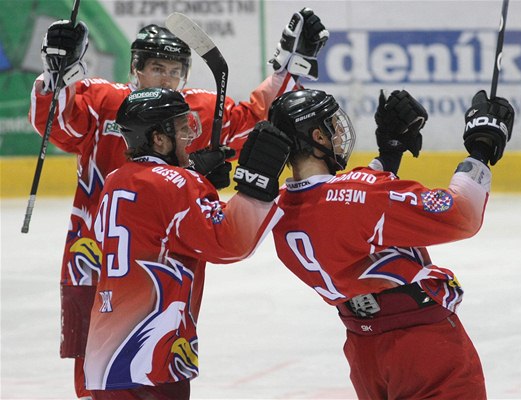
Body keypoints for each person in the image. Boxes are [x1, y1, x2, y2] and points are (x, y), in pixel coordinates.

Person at [28, 8, 327, 398]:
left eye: (174, 70)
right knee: (100, 377)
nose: (166, 78)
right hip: (96, 264)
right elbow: (60, 119)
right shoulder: (105, 102)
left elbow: (256, 118)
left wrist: (289, 64)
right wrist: (57, 71)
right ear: (135, 69)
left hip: (160, 268)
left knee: (145, 370)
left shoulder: (192, 111)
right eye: (156, 68)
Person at [263, 88, 514, 399]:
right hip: (423, 346)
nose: (339, 132)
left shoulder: (279, 210)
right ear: (317, 137)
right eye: (332, 126)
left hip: (364, 352)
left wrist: (390, 155)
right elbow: (461, 214)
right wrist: (481, 148)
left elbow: (343, 209)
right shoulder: (363, 197)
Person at [85, 87, 291, 399]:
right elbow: (230, 242)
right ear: (158, 138)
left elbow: (148, 221)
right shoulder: (180, 185)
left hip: (104, 358)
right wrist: (255, 186)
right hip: (153, 358)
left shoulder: (115, 179)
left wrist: (191, 172)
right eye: (181, 128)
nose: (189, 136)